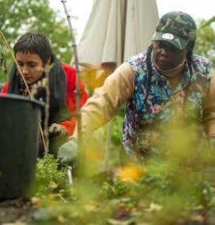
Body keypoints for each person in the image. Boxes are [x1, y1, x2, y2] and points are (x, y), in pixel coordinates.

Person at [57, 11, 215, 165]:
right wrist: (77, 139)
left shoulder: (204, 73)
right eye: (160, 44)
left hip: (188, 167)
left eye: (173, 48)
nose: (163, 52)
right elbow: (101, 103)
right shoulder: (134, 70)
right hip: (137, 165)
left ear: (188, 48)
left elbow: (212, 113)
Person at [0, 31, 88, 156]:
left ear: (46, 62)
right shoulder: (12, 84)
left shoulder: (69, 76)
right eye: (19, 64)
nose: (24, 71)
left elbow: (84, 114)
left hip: (64, 146)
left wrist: (64, 128)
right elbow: (0, 115)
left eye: (31, 65)